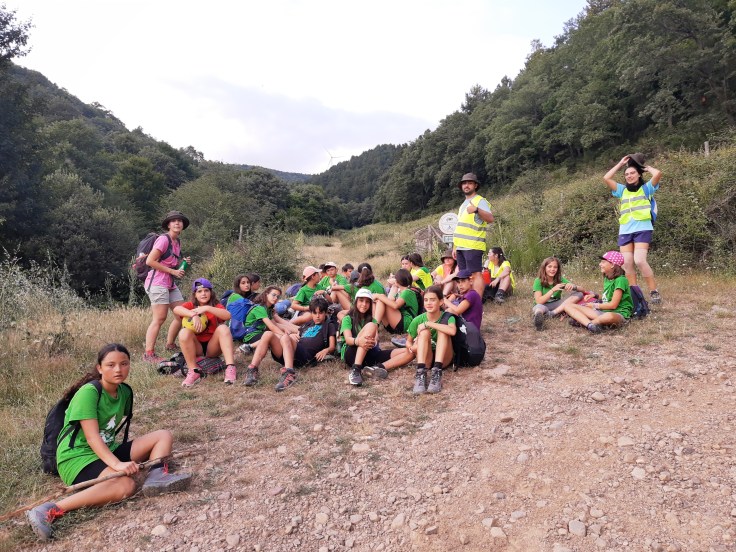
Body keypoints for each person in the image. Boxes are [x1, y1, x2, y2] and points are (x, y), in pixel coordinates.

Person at [26, 344, 191, 541]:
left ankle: (156, 478)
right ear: (100, 368)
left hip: (106, 449)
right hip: (77, 457)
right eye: (111, 365)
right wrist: (117, 464)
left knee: (163, 435)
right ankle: (50, 509)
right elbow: (92, 437)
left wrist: (117, 460)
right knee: (125, 485)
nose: (118, 370)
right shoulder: (89, 392)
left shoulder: (124, 391)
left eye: (124, 364)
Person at [603, 153, 663, 304]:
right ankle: (634, 294)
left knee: (640, 260)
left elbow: (658, 174)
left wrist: (646, 167)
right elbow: (606, 178)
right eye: (627, 174)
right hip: (625, 230)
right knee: (627, 263)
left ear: (638, 174)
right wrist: (620, 164)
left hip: (642, 228)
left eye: (632, 173)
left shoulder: (647, 188)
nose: (629, 176)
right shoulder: (622, 190)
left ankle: (653, 291)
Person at [142, 211, 191, 363]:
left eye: (180, 221)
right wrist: (173, 271)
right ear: (168, 225)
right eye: (173, 221)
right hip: (157, 282)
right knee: (159, 318)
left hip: (169, 283)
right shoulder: (164, 240)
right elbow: (150, 261)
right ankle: (149, 354)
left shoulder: (177, 242)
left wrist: (182, 264)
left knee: (181, 314)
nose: (177, 223)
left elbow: (168, 262)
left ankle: (170, 345)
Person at [341, 289, 414, 386]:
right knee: (371, 325)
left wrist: (374, 341)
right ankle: (356, 370)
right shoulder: (348, 318)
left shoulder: (372, 319)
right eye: (361, 300)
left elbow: (375, 339)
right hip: (352, 354)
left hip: (370, 354)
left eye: (367, 302)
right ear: (356, 302)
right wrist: (359, 341)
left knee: (411, 351)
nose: (364, 304)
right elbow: (348, 340)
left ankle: (377, 368)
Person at [174, 278, 236, 387]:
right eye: (199, 291)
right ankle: (193, 371)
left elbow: (227, 315)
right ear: (195, 294)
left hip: (212, 347)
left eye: (206, 290)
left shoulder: (215, 306)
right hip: (196, 346)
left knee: (223, 328)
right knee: (183, 332)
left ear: (211, 292)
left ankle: (230, 367)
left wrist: (207, 308)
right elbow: (176, 309)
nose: (203, 294)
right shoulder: (190, 306)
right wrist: (193, 315)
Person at [272, 296, 337, 391]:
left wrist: (325, 350)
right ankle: (253, 368)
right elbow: (298, 334)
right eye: (314, 313)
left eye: (320, 313)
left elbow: (332, 346)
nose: (317, 316)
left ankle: (289, 373)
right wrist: (293, 336)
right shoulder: (308, 324)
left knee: (285, 337)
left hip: (305, 354)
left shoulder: (329, 325)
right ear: (311, 313)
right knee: (268, 335)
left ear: (325, 312)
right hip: (295, 350)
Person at [241, 285, 300, 387]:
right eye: (273, 295)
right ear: (266, 294)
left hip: (261, 332)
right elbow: (272, 327)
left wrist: (296, 330)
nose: (275, 298)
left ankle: (252, 369)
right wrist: (286, 335)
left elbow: (276, 324)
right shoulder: (259, 308)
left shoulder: (268, 308)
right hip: (252, 335)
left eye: (278, 296)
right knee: (270, 334)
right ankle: (250, 354)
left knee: (271, 334)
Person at [563, 251, 634, 333]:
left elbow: (613, 305)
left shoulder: (621, 280)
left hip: (618, 314)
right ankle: (591, 325)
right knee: (567, 306)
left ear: (612, 265)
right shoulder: (607, 278)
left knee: (609, 316)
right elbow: (608, 297)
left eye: (603, 262)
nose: (600, 264)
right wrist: (595, 295)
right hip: (603, 312)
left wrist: (594, 305)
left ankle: (588, 322)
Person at [406, 285, 456, 394]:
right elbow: (408, 341)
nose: (428, 303)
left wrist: (428, 324)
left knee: (443, 330)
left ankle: (437, 373)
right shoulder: (417, 320)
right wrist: (412, 348)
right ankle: (420, 374)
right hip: (426, 358)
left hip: (444, 358)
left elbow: (452, 331)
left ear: (441, 302)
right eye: (426, 300)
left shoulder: (448, 317)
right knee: (424, 332)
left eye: (433, 300)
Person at [452, 172, 494, 299]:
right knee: (463, 275)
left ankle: (477, 302)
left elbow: (490, 219)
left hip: (473, 245)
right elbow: (460, 227)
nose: (466, 185)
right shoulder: (463, 204)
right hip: (461, 246)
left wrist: (476, 210)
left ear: (475, 185)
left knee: (475, 274)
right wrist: (455, 246)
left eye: (470, 183)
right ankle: (467, 301)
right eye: (464, 183)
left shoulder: (480, 201)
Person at [531, 257, 584, 331]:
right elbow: (539, 301)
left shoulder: (560, 279)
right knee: (539, 308)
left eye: (555, 267)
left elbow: (583, 290)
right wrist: (553, 290)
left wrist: (573, 286)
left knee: (579, 294)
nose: (552, 269)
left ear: (558, 269)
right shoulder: (538, 281)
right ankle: (538, 318)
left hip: (557, 305)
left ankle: (552, 314)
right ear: (544, 268)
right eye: (549, 266)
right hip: (542, 305)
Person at [373, 268, 419, 335]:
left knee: (382, 298)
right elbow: (390, 300)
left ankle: (374, 328)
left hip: (406, 324)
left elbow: (395, 305)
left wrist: (379, 296)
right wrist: (393, 287)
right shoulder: (400, 292)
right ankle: (374, 327)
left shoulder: (408, 292)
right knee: (380, 301)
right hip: (397, 323)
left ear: (397, 281)